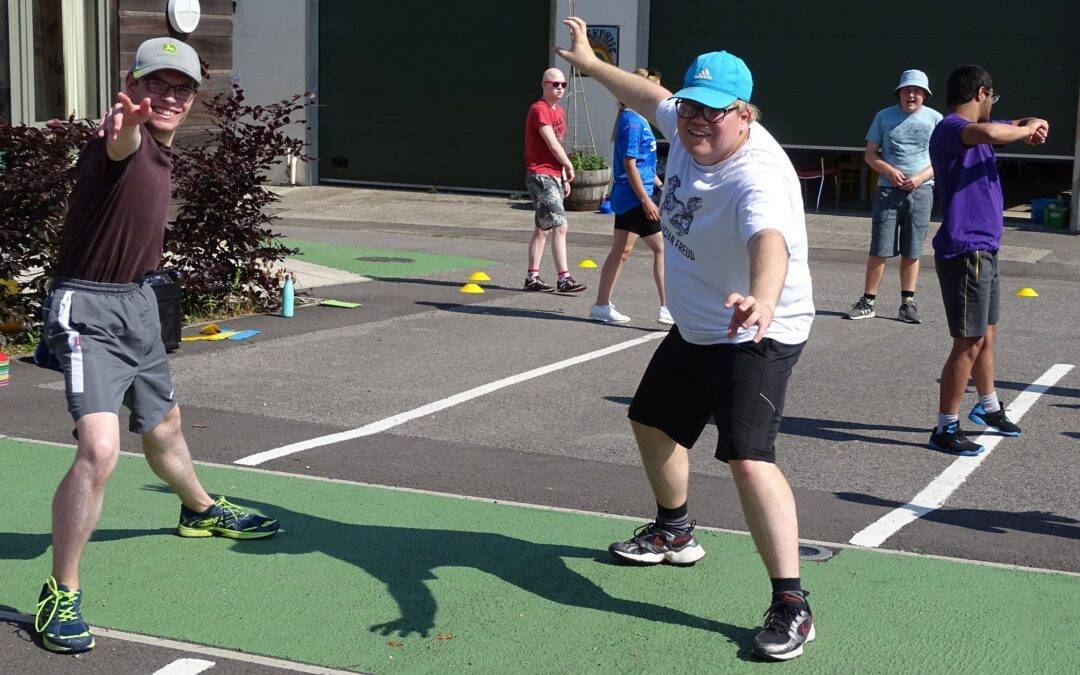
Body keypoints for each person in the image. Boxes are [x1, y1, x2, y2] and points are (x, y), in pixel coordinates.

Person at [558, 18, 816, 661]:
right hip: (700, 326)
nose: (697, 122)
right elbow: (650, 98)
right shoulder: (686, 118)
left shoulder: (756, 176)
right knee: (649, 421)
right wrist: (590, 64)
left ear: (745, 115)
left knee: (748, 457)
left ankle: (792, 603)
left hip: (757, 327)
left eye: (714, 113)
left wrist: (761, 295)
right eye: (693, 108)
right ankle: (674, 532)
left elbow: (771, 244)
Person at [34, 38, 280, 655]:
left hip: (139, 304)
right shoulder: (124, 140)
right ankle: (60, 591)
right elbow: (117, 145)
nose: (168, 97)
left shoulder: (164, 150)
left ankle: (197, 509)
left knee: (164, 425)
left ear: (194, 98)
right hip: (88, 307)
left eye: (182, 88)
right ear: (132, 85)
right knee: (99, 448)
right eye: (156, 84)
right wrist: (124, 129)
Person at [927, 65, 1048, 455]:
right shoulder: (951, 128)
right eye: (991, 98)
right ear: (981, 92)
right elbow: (995, 131)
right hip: (966, 251)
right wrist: (1025, 129)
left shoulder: (981, 128)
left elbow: (1006, 124)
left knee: (987, 335)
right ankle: (945, 426)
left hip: (985, 247)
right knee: (969, 341)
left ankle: (988, 405)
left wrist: (1034, 122)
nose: (992, 106)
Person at [847, 69, 942, 323]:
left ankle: (907, 304)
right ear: (899, 93)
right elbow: (870, 154)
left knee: (912, 250)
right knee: (879, 248)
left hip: (921, 191)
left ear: (925, 95)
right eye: (907, 90)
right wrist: (888, 171)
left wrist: (920, 178)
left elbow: (942, 159)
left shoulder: (935, 119)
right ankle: (868, 301)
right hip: (887, 191)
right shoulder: (883, 117)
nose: (911, 95)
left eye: (917, 91)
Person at [588, 68, 672, 325]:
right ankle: (668, 308)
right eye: (652, 89)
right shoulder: (632, 121)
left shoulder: (638, 119)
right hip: (635, 198)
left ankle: (601, 305)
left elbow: (644, 164)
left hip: (634, 194)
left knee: (621, 251)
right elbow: (630, 164)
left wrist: (660, 185)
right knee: (663, 249)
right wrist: (646, 200)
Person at [522, 67, 586, 293]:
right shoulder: (540, 109)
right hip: (540, 174)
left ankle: (532, 277)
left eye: (563, 85)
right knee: (560, 225)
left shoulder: (558, 111)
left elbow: (558, 145)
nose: (560, 88)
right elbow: (550, 142)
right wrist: (569, 165)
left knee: (543, 229)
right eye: (555, 84)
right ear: (544, 85)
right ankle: (564, 278)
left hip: (552, 174)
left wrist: (563, 176)